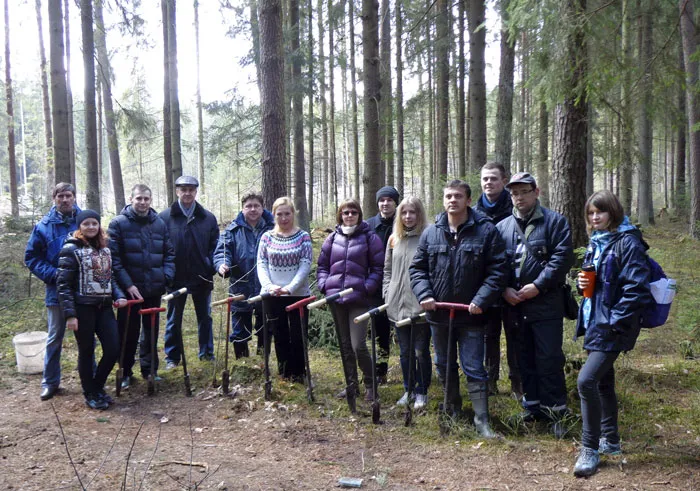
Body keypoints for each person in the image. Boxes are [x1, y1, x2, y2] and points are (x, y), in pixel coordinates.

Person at [410, 180, 507, 437]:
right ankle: (451, 408)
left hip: (472, 315)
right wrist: (425, 294)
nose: (452, 200)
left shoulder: (485, 231)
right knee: (444, 364)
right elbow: (418, 269)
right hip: (439, 314)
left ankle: (481, 420)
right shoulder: (431, 233)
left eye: (458, 196)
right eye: (448, 196)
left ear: (467, 200)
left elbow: (498, 270)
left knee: (474, 366)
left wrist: (481, 299)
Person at [573, 190, 651, 477]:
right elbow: (599, 286)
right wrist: (584, 286)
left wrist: (614, 322)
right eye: (591, 213)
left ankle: (589, 449)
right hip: (596, 321)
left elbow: (636, 289)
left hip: (613, 326)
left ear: (613, 212)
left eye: (601, 212)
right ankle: (611, 441)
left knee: (586, 381)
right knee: (602, 383)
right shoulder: (598, 241)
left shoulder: (628, 242)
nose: (595, 217)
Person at [495, 172, 574, 433]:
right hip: (514, 305)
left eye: (524, 192)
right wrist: (504, 288)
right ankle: (532, 407)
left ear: (536, 192)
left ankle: (556, 413)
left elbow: (561, 260)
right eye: (514, 193)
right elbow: (496, 264)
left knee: (549, 357)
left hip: (546, 303)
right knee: (522, 358)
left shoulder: (555, 222)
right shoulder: (502, 228)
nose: (519, 197)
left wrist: (537, 286)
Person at [56, 210, 127, 410]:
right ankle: (90, 393)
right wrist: (70, 315)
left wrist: (119, 295)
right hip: (82, 308)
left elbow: (110, 277)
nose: (90, 227)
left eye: (94, 223)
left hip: (104, 307)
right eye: (86, 223)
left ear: (99, 226)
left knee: (113, 348)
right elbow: (63, 285)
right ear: (80, 226)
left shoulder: (105, 249)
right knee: (87, 351)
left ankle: (97, 386)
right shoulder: (70, 249)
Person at [108, 184, 175, 390]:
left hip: (153, 288)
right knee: (128, 332)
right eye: (139, 198)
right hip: (129, 291)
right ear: (131, 199)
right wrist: (127, 285)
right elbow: (114, 259)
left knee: (151, 331)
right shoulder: (118, 224)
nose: (142, 202)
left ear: (151, 200)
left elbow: (169, 253)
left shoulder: (160, 224)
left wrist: (165, 277)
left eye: (146, 199)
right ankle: (126, 371)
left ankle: (150, 370)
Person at [317, 199, 384, 402]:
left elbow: (378, 268)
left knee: (358, 345)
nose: (349, 216)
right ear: (340, 215)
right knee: (344, 345)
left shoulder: (370, 238)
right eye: (345, 212)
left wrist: (366, 287)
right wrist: (324, 285)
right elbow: (322, 267)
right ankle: (351, 385)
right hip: (336, 298)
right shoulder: (331, 239)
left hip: (359, 300)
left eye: (353, 212)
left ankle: (371, 384)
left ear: (359, 215)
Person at [24, 182, 82, 401]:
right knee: (55, 337)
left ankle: (90, 378)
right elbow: (31, 257)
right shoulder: (43, 226)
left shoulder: (83, 221)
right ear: (54, 199)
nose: (65, 199)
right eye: (60, 196)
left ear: (74, 197)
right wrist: (53, 274)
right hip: (56, 291)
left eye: (68, 195)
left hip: (83, 290)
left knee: (86, 336)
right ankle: (50, 382)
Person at [159, 176, 219, 366]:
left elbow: (215, 246)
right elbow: (160, 247)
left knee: (205, 317)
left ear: (196, 191)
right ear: (177, 191)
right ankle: (173, 357)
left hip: (202, 275)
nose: (187, 193)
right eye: (183, 189)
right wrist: (166, 273)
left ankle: (207, 354)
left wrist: (210, 265)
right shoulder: (165, 217)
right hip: (176, 277)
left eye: (191, 189)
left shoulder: (207, 217)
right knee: (174, 319)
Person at [474, 162, 522, 398]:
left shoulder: (514, 208)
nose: (488, 183)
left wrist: (506, 286)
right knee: (488, 335)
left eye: (493, 178)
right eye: (484, 179)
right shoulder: (474, 213)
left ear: (504, 181)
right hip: (485, 286)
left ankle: (517, 384)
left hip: (514, 285)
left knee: (514, 334)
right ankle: (490, 382)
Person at [256, 197, 313, 381]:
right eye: (279, 214)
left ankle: (299, 372)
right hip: (273, 294)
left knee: (298, 335)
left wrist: (290, 288)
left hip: (297, 294)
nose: (284, 218)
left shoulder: (303, 236)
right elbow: (261, 263)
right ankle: (285, 372)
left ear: (293, 214)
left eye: (287, 213)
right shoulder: (266, 237)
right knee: (279, 333)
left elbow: (305, 265)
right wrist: (269, 286)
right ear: (273, 215)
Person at [382, 196, 431, 410]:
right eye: (404, 213)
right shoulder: (394, 239)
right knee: (405, 352)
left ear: (419, 215)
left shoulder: (428, 237)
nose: (408, 216)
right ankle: (408, 389)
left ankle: (422, 391)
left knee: (420, 351)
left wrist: (427, 297)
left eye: (412, 212)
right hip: (397, 305)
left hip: (420, 307)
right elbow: (387, 271)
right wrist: (387, 293)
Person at [214, 192, 275, 358]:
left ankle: (264, 362)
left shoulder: (273, 229)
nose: (253, 209)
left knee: (265, 327)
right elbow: (221, 251)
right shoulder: (232, 230)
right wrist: (222, 265)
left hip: (266, 286)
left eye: (256, 206)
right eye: (248, 206)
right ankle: (242, 362)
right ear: (242, 209)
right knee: (240, 327)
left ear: (263, 208)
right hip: (240, 286)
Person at [366, 186, 400, 383]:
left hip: (401, 283)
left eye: (389, 200)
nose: (385, 204)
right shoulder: (369, 226)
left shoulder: (404, 222)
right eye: (382, 200)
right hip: (377, 286)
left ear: (396, 202)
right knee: (379, 330)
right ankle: (380, 371)